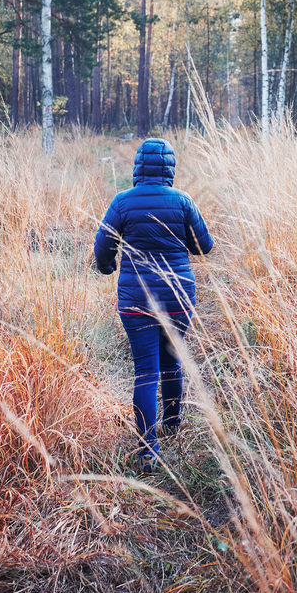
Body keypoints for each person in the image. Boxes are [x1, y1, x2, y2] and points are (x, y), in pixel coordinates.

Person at [93, 137, 213, 471]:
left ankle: (149, 450)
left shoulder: (122, 202)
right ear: (170, 168)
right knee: (171, 359)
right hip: (178, 298)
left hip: (136, 302)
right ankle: (173, 423)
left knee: (146, 371)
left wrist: (107, 267)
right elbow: (204, 246)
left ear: (137, 167)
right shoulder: (183, 201)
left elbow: (102, 246)